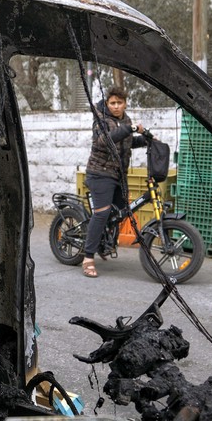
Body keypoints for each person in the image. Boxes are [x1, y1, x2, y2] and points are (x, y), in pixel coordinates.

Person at [80, 85, 149, 278]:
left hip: (118, 175)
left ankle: (103, 242)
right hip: (100, 173)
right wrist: (130, 129)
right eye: (113, 103)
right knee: (101, 214)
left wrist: (144, 140)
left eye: (120, 103)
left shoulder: (125, 120)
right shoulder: (101, 119)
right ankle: (88, 258)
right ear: (107, 103)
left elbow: (125, 142)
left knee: (119, 212)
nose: (116, 106)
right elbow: (105, 141)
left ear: (125, 103)